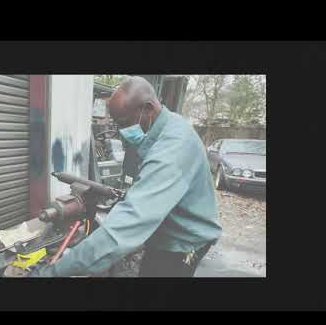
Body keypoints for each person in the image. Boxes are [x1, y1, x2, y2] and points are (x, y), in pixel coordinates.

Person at [30, 76, 222, 277]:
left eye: (124, 123)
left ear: (147, 109)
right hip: (165, 229)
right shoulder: (163, 127)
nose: (121, 132)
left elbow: (124, 229)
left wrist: (52, 272)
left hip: (184, 239)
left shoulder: (173, 148)